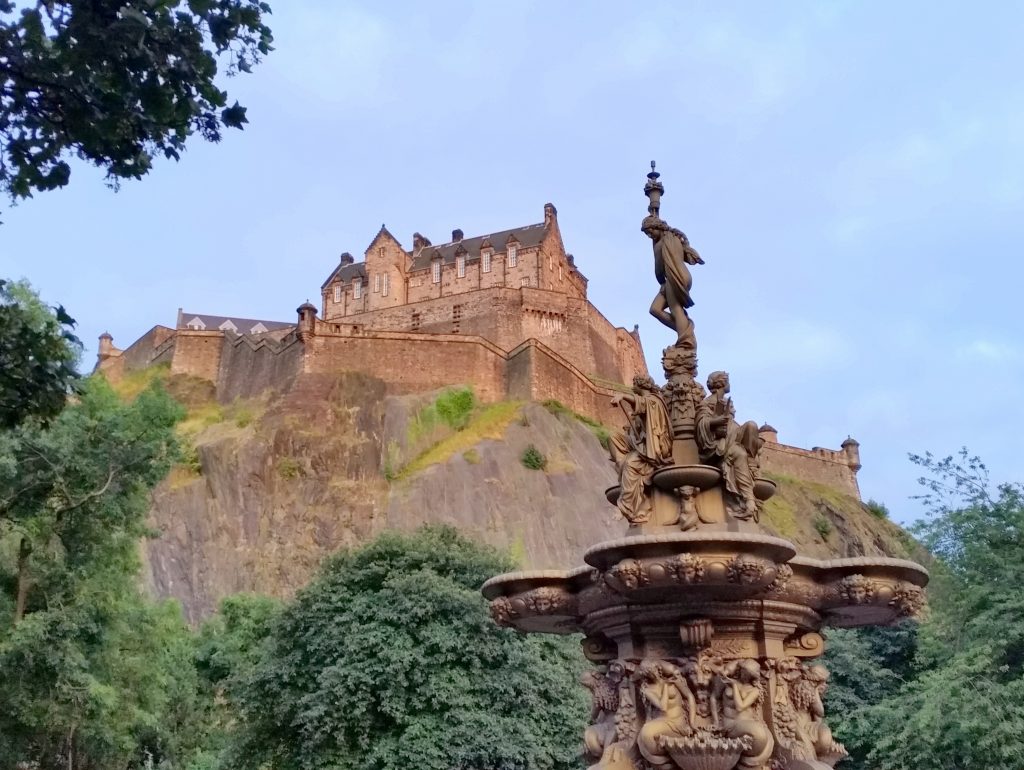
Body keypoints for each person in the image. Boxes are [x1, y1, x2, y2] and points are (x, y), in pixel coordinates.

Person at [696, 371, 763, 520]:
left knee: (752, 426)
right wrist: (718, 421)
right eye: (728, 381)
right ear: (722, 383)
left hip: (734, 434)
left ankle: (751, 463)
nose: (729, 384)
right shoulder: (708, 402)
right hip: (720, 443)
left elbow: (734, 424)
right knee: (739, 453)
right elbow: (701, 423)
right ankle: (748, 501)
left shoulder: (727, 401)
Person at [609, 375, 672, 524]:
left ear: (641, 385)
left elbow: (644, 403)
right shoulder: (645, 403)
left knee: (631, 465)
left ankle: (625, 507)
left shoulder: (654, 401)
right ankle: (620, 463)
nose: (632, 387)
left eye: (634, 384)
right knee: (614, 438)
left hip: (653, 447)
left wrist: (623, 396)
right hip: (641, 442)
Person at [642, 214, 704, 349]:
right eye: (647, 234)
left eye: (650, 231)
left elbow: (658, 269)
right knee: (655, 309)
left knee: (676, 309)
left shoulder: (661, 243)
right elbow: (687, 257)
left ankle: (685, 341)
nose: (649, 235)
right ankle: (685, 331)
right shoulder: (674, 237)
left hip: (674, 276)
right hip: (684, 276)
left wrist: (661, 282)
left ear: (657, 226)